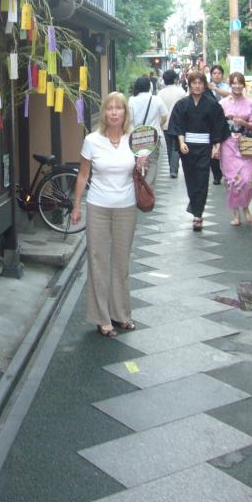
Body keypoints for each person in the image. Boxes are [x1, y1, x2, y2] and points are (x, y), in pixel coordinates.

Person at [71, 92, 148, 337]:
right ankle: (102, 317)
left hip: (126, 206)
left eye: (119, 108)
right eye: (109, 108)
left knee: (121, 262)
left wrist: (141, 164)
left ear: (125, 112)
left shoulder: (134, 139)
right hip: (98, 206)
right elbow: (83, 175)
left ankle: (121, 314)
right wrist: (76, 205)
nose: (114, 112)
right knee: (98, 261)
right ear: (104, 112)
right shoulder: (92, 140)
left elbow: (141, 175)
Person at [168, 69, 230, 231]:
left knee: (202, 179)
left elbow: (218, 126)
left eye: (200, 83)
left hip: (205, 147)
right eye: (194, 83)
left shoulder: (212, 105)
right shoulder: (182, 105)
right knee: (190, 179)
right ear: (189, 85)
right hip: (187, 147)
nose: (197, 86)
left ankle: (198, 214)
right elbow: (178, 125)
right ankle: (195, 205)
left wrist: (216, 146)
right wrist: (181, 142)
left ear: (204, 85)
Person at [219, 72, 252, 226]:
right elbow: (216, 125)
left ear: (244, 85)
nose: (237, 86)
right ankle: (236, 213)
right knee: (232, 181)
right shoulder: (223, 104)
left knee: (246, 180)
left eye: (240, 83)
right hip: (227, 145)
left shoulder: (251, 104)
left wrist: (245, 124)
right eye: (234, 83)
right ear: (230, 84)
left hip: (244, 145)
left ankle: (245, 206)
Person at [127, 75, 168, 188]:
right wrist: (158, 126)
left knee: (138, 162)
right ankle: (147, 187)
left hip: (137, 136)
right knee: (153, 162)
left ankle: (140, 185)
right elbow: (164, 116)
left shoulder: (132, 100)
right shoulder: (156, 99)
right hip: (153, 135)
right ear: (149, 86)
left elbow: (129, 119)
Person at [157, 69, 187, 178]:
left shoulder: (160, 93)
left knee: (170, 147)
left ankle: (172, 168)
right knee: (176, 146)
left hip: (165, 124)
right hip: (179, 124)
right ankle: (173, 169)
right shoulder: (181, 92)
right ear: (175, 79)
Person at [208, 64, 231, 185]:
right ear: (211, 75)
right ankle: (217, 175)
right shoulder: (205, 87)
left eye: (219, 73)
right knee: (212, 148)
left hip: (225, 121)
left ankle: (227, 172)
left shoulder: (227, 87)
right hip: (211, 122)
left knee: (226, 147)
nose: (217, 75)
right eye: (214, 73)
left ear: (222, 75)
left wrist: (215, 89)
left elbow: (230, 96)